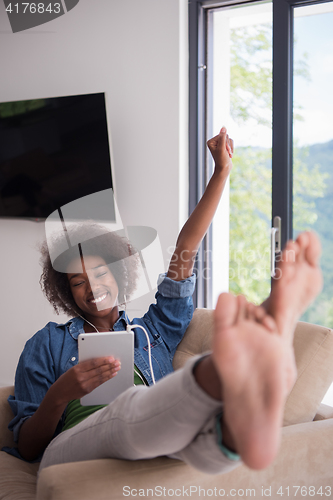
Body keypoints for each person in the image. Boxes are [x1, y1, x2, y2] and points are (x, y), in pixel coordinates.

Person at [4, 128, 322, 475]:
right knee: (127, 415)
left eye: (100, 273)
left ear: (119, 274)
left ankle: (233, 430)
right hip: (72, 451)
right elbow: (28, 446)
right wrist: (60, 394)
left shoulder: (152, 330)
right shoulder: (46, 343)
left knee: (193, 442)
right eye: (78, 282)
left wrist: (221, 173)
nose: (92, 287)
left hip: (157, 434)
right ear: (66, 292)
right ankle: (221, 373)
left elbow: (184, 253)